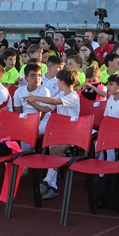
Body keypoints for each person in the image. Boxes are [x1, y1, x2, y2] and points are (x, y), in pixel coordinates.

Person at [34, 68, 82, 200]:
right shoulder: (61, 95)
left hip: (72, 132)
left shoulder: (73, 96)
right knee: (53, 150)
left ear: (63, 83)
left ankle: (46, 181)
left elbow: (54, 102)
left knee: (56, 151)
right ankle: (52, 185)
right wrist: (32, 103)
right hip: (60, 132)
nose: (56, 83)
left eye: (58, 81)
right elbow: (45, 108)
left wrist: (35, 97)